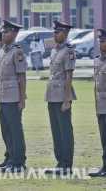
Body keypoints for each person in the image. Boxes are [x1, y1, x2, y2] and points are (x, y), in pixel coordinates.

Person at [0, 20, 27, 173]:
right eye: (3, 32)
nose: (3, 34)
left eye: (7, 32)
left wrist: (22, 99)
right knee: (6, 130)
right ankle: (10, 158)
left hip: (13, 96)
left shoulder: (17, 52)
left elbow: (21, 77)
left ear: (15, 34)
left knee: (15, 130)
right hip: (3, 95)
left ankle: (18, 162)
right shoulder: (3, 51)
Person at [44, 21, 76, 175]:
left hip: (62, 95)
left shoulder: (68, 51)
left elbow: (69, 76)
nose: (54, 34)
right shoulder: (55, 50)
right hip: (52, 94)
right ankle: (59, 163)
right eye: (54, 32)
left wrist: (67, 99)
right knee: (56, 130)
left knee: (65, 131)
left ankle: (67, 164)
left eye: (57, 32)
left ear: (65, 33)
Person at [89, 29, 106, 177]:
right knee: (104, 137)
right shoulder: (97, 60)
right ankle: (105, 166)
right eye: (100, 41)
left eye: (104, 41)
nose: (101, 44)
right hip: (100, 106)